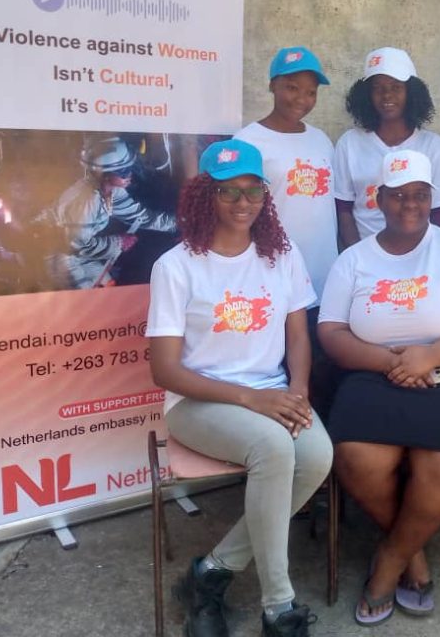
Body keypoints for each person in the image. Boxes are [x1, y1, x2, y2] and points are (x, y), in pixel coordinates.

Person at [147, 139, 333, 637]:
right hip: (198, 402)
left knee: (317, 456)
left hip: (273, 391)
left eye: (253, 190)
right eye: (227, 191)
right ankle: (280, 608)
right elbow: (164, 370)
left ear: (266, 195)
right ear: (205, 195)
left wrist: (298, 390)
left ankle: (210, 573)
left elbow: (298, 335)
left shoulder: (280, 255)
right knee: (274, 448)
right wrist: (252, 399)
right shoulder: (176, 266)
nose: (242, 202)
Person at [318, 149, 440, 626]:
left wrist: (431, 355)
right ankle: (412, 553)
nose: (410, 205)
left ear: (432, 199)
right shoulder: (354, 259)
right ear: (378, 199)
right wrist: (393, 362)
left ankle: (389, 559)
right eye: (398, 195)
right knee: (358, 458)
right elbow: (332, 332)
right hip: (375, 374)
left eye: (420, 195)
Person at [235, 46, 339, 417]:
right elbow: (238, 214)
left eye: (311, 92)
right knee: (282, 375)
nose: (302, 99)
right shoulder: (248, 142)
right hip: (275, 279)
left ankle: (320, 446)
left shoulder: (321, 139)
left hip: (325, 279)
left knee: (322, 376)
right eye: (292, 87)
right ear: (272, 86)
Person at [334, 47, 440, 247]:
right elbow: (343, 208)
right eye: (378, 88)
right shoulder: (350, 143)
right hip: (365, 252)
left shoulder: (433, 146)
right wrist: (357, 253)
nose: (386, 95)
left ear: (411, 92)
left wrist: (425, 254)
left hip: (420, 255)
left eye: (396, 87)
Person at [46, 136, 176, 288]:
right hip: (62, 258)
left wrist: (178, 224)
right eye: (123, 171)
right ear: (105, 174)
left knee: (109, 286)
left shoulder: (113, 191)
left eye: (129, 168)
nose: (129, 175)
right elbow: (77, 245)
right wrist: (119, 242)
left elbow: (141, 217)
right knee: (92, 298)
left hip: (82, 256)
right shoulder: (86, 202)